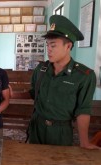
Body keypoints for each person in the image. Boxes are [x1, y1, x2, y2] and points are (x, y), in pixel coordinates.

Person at [28, 15, 100, 149]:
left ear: (68, 46)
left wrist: (84, 141)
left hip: (60, 131)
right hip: (36, 127)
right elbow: (33, 94)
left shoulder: (84, 76)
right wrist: (13, 94)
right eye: (47, 44)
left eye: (53, 45)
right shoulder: (41, 69)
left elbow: (83, 110)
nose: (48, 49)